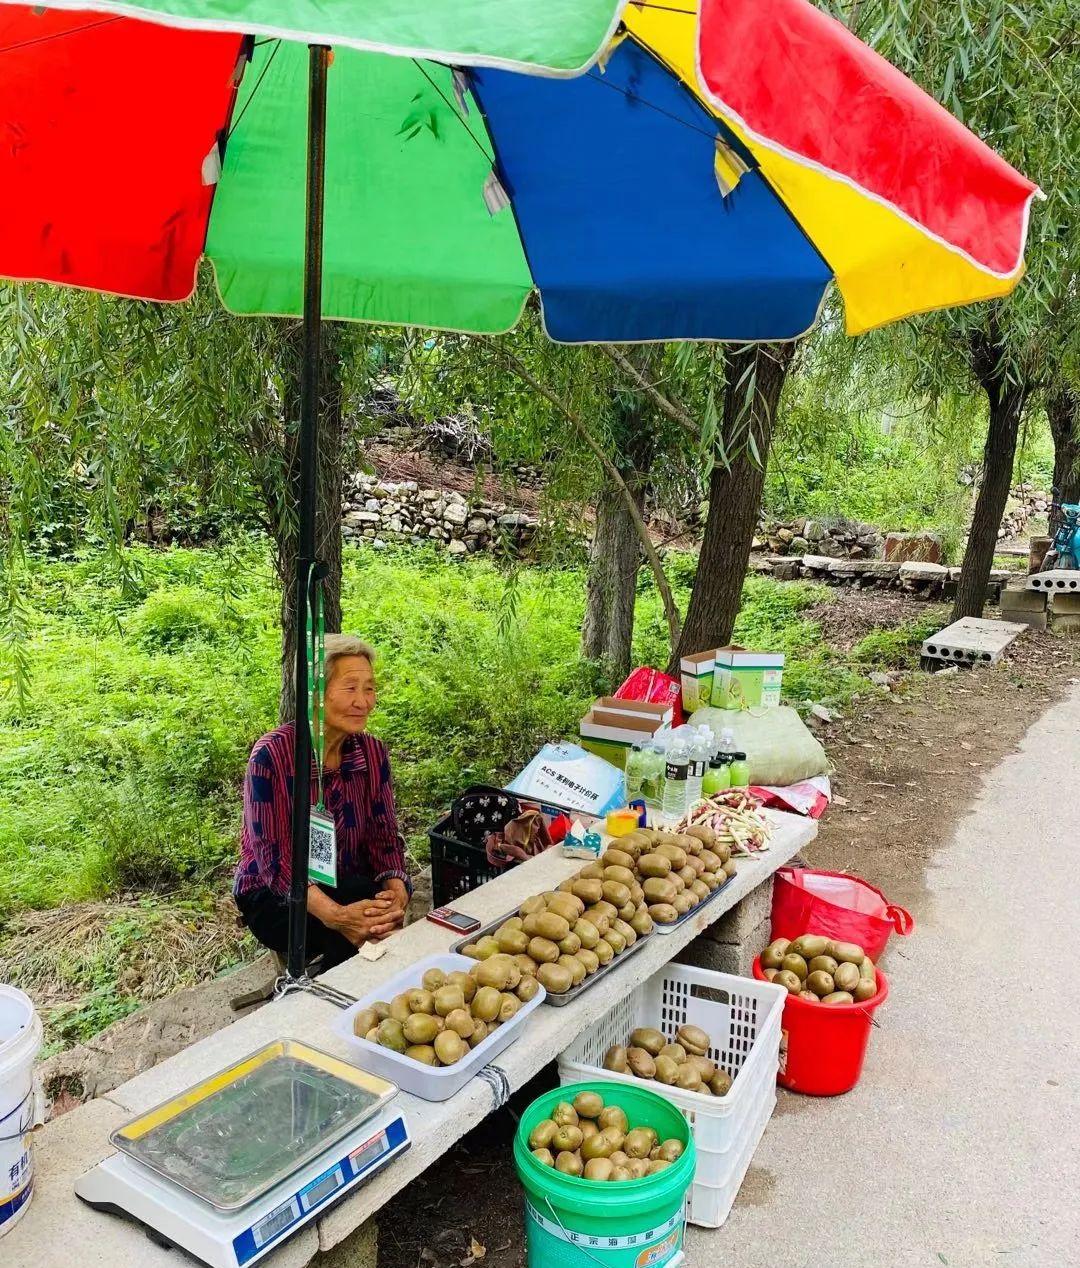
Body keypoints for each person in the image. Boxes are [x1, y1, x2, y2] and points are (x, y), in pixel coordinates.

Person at [234, 635, 410, 971]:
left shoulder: (371, 752)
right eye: (351, 688)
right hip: (274, 895)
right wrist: (339, 917)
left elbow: (383, 835)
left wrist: (396, 890)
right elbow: (275, 861)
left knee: (378, 912)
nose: (364, 701)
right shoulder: (274, 756)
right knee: (357, 927)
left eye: (370, 688)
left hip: (345, 877)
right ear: (316, 693)